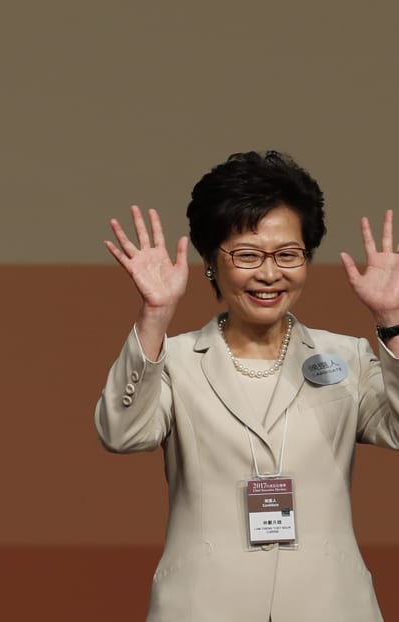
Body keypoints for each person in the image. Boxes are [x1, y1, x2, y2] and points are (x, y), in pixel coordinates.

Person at [96, 150, 399, 622]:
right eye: (248, 255)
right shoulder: (172, 360)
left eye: (288, 254)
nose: (270, 273)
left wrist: (391, 322)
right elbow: (121, 434)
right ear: (212, 262)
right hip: (202, 606)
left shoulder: (347, 358)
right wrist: (155, 314)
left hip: (331, 605)